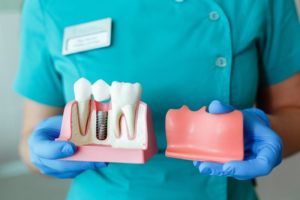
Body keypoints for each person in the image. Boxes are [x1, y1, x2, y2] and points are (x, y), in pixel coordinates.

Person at [14, 0, 300, 199]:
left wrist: (261, 131)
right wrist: (42, 154)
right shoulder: (47, 4)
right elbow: (31, 134)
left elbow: (294, 111)